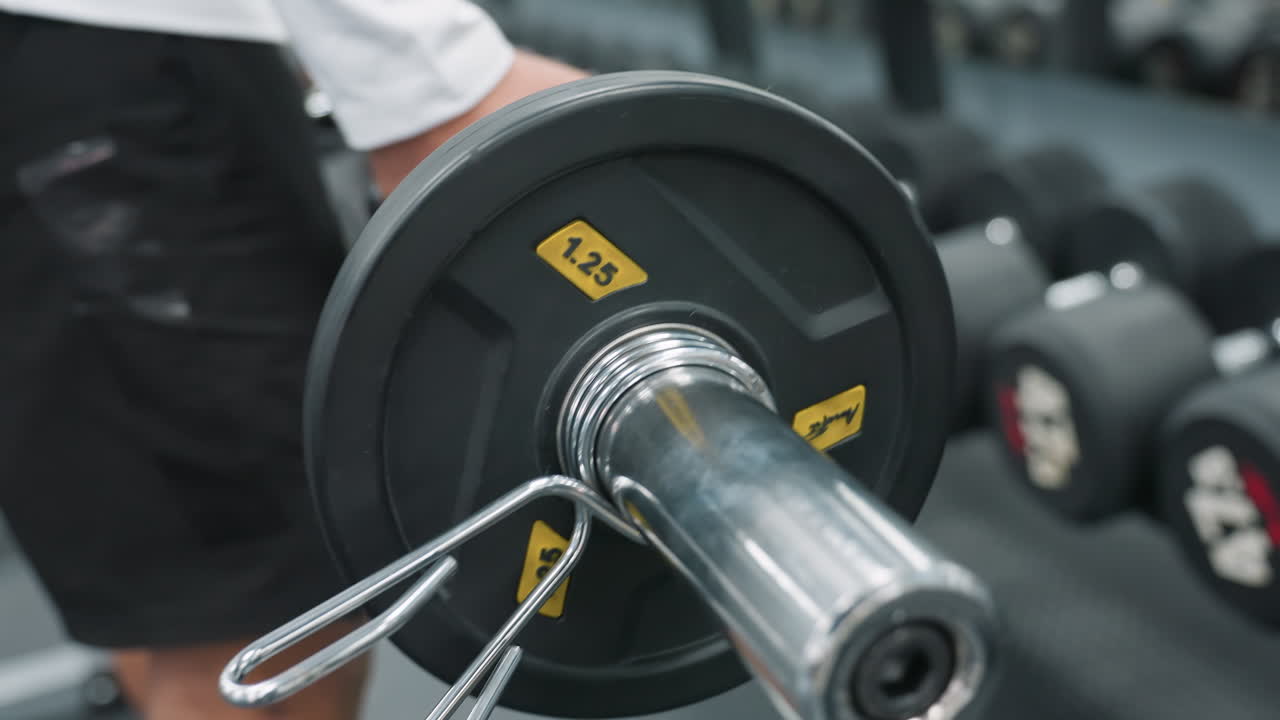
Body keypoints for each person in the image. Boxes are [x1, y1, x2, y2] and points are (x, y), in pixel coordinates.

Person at [0, 2, 586, 718]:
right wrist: (432, 69)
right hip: (109, 98)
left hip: (104, 76)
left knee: (188, 594)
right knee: (272, 634)